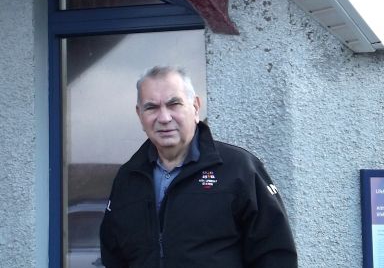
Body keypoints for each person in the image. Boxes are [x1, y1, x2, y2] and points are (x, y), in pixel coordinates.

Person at [100, 66, 297, 268]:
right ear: (139, 114)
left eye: (174, 104)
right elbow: (113, 256)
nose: (164, 118)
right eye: (151, 107)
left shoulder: (239, 169)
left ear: (195, 107)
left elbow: (275, 255)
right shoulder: (128, 178)